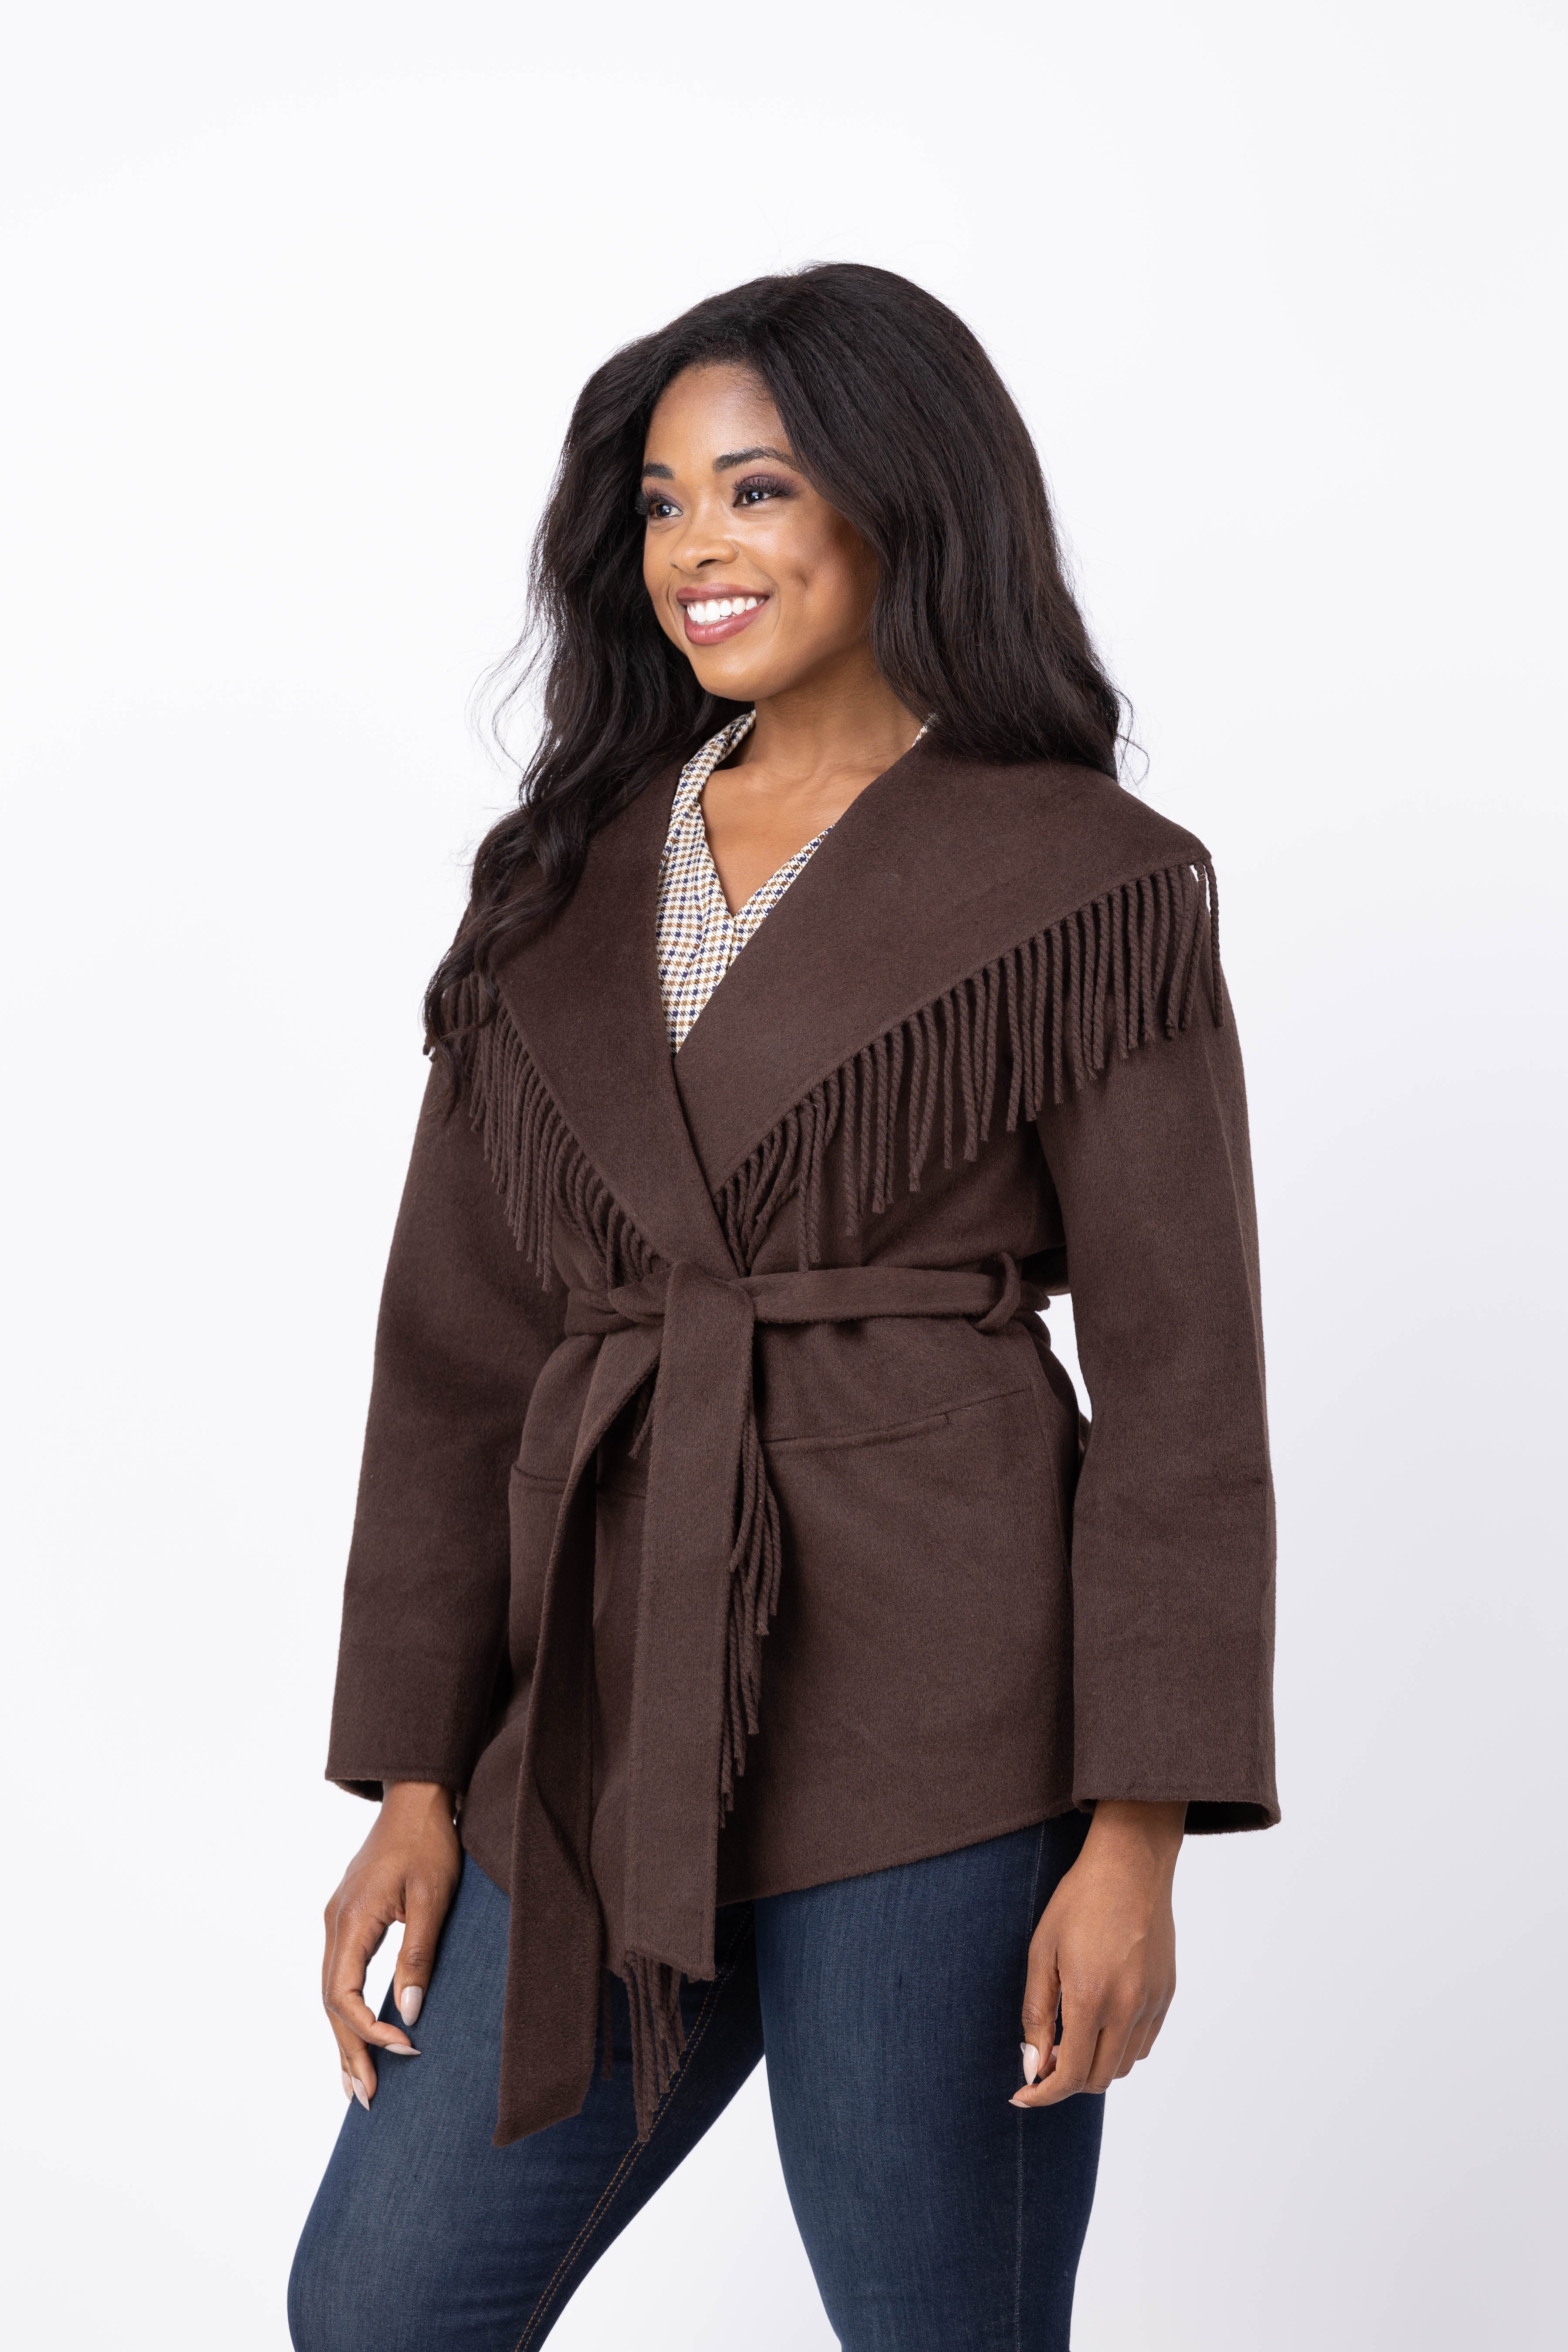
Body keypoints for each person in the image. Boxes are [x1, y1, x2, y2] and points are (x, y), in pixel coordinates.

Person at [288, 263, 1277, 2352]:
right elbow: (452, 1360)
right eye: (661, 504)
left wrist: (1137, 1837)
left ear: (902, 497)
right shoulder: (554, 882)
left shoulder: (1086, 878)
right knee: (377, 2307)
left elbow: (1186, 1387)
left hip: (948, 1711)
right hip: (598, 1703)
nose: (697, 550)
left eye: (756, 489)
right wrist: (417, 1777)